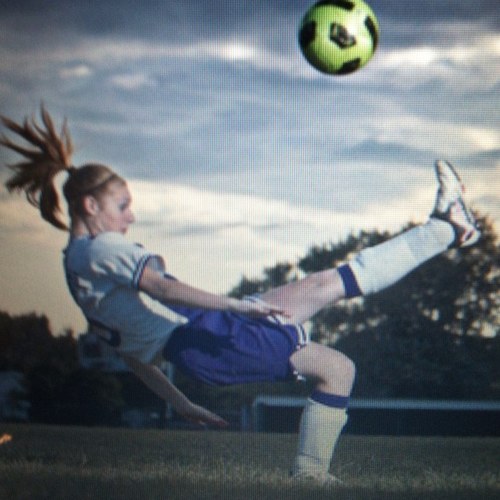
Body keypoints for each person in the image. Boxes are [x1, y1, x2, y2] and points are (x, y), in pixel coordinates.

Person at [0, 107, 480, 483]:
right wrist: (233, 304)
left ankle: (448, 226)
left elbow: (130, 351)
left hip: (202, 340)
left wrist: (181, 402)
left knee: (325, 283)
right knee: (339, 369)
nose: (129, 218)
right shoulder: (101, 249)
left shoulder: (77, 271)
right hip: (208, 337)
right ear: (90, 206)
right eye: (123, 206)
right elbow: (161, 287)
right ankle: (310, 475)